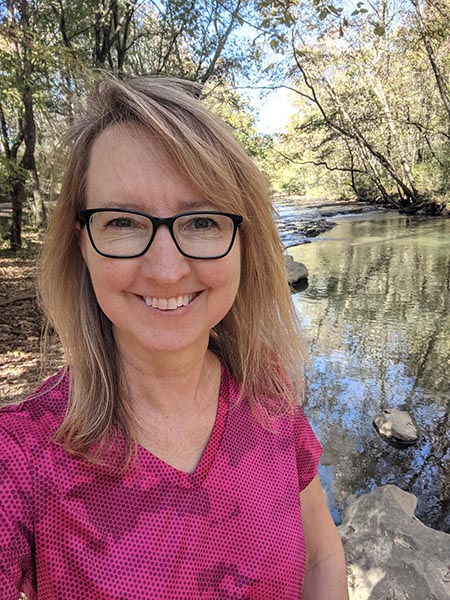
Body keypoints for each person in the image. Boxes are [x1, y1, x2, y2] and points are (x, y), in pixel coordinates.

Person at [0, 76, 348, 599]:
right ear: (83, 245)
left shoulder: (269, 390)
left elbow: (320, 555)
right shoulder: (21, 455)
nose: (166, 271)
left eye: (203, 221)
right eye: (122, 221)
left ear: (243, 241)